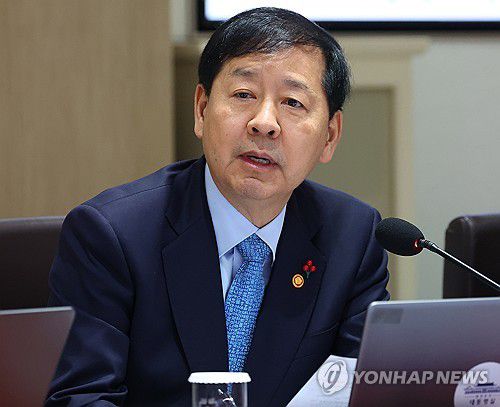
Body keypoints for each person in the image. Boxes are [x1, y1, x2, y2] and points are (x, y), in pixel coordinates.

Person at [46, 7, 389, 407]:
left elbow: (366, 393)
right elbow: (82, 398)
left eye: (293, 102)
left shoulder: (353, 238)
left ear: (330, 136)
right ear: (201, 109)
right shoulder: (111, 235)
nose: (264, 123)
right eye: (244, 95)